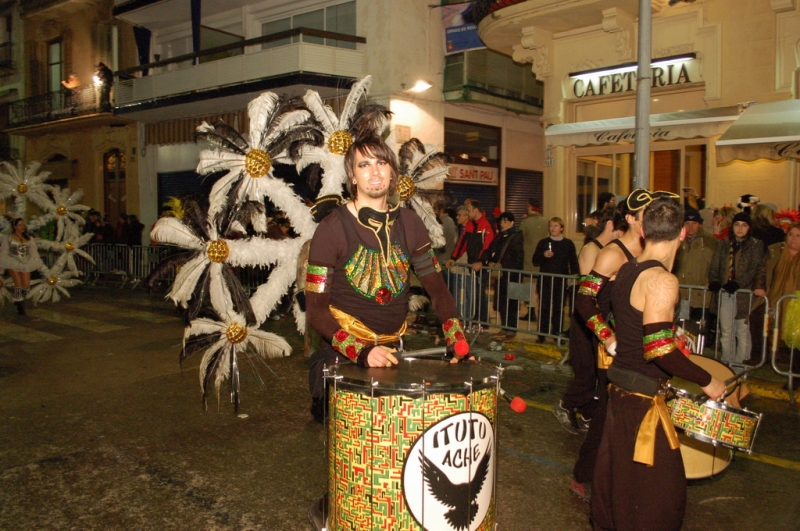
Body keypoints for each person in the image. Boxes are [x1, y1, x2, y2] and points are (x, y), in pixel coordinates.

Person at [305, 137, 470, 423]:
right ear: (352, 176)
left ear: (393, 172)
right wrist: (361, 351)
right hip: (346, 358)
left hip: (394, 353)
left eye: (382, 162)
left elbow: (438, 290)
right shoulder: (330, 229)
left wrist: (456, 338)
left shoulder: (411, 224)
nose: (375, 171)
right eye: (364, 164)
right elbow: (316, 310)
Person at [591, 196, 727, 531]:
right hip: (641, 403)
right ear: (682, 233)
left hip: (621, 392)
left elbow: (602, 311)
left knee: (619, 486)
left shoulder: (626, 269)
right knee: (661, 500)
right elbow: (658, 350)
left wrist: (610, 338)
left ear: (645, 229)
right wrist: (707, 380)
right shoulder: (663, 281)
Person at [559, 190, 657, 502]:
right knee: (606, 411)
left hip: (633, 341)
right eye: (645, 215)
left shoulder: (650, 250)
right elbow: (584, 299)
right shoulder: (612, 253)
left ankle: (626, 477)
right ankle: (584, 476)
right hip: (608, 343)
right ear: (630, 218)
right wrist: (608, 337)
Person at [554, 206, 621, 437]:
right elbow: (590, 291)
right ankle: (567, 404)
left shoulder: (614, 251)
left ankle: (590, 413)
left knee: (601, 374)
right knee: (587, 372)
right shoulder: (592, 248)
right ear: (610, 226)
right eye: (620, 228)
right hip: (587, 319)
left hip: (604, 319)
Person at [708, 211, 766, 365]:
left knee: (742, 331)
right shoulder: (723, 243)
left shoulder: (756, 245)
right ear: (732, 226)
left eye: (744, 225)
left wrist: (738, 283)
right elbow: (714, 265)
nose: (740, 228)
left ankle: (741, 364)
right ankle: (727, 362)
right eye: (737, 224)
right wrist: (714, 280)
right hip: (726, 293)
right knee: (726, 331)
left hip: (744, 295)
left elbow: (754, 268)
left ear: (749, 227)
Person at [446, 200, 494, 330]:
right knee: (473, 294)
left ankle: (483, 324)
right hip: (472, 265)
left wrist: (482, 261)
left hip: (482, 266)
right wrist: (453, 258)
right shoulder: (470, 225)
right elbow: (463, 243)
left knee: (480, 294)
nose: (467, 213)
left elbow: (488, 246)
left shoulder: (487, 224)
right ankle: (474, 321)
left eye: (468, 210)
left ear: (475, 210)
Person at [532, 216, 578, 343]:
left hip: (560, 280)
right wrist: (543, 255)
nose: (553, 228)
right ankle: (541, 333)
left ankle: (557, 333)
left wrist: (574, 277)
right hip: (545, 279)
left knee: (559, 307)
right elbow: (535, 260)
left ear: (561, 228)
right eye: (551, 225)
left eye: (556, 225)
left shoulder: (568, 244)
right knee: (544, 306)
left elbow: (573, 262)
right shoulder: (543, 242)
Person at [763, 222, 800, 377]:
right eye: (791, 234)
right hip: (776, 299)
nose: (793, 239)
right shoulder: (776, 252)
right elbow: (763, 270)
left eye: (798, 235)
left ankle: (794, 373)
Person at [673, 207, 718, 327]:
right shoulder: (676, 241)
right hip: (681, 294)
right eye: (687, 223)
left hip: (702, 296)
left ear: (700, 224)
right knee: (681, 327)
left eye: (694, 223)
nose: (690, 226)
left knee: (700, 329)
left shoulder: (711, 242)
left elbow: (717, 265)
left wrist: (712, 280)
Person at [485, 211, 524, 341]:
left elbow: (517, 256)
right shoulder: (500, 236)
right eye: (502, 221)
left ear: (512, 222)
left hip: (512, 274)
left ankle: (511, 329)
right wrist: (493, 260)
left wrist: (511, 269)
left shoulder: (516, 236)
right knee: (502, 302)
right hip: (502, 274)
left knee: (511, 302)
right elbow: (494, 250)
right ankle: (505, 327)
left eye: (506, 221)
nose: (503, 224)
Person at [0, 218, 43, 315]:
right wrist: (2, 264)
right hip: (12, 261)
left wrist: (38, 262)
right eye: (20, 225)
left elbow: (33, 252)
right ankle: (20, 305)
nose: (22, 227)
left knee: (26, 285)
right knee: (18, 284)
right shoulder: (8, 237)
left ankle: (17, 298)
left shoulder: (28, 238)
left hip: (26, 262)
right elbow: (4, 251)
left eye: (23, 224)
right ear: (15, 226)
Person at [519, 198, 549, 320]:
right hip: (542, 258)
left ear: (529, 207)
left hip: (528, 258)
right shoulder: (546, 221)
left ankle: (530, 311)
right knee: (539, 286)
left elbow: (520, 238)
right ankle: (541, 311)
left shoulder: (525, 222)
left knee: (529, 285)